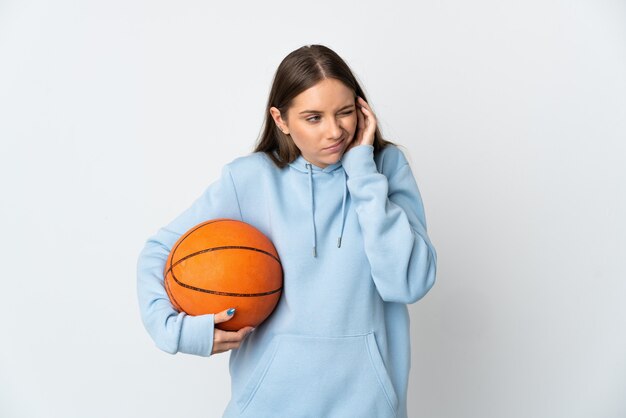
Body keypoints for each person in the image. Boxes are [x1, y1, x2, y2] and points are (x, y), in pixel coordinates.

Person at [136, 44, 437, 418]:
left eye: (345, 113)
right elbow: (159, 251)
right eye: (313, 118)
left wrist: (362, 172)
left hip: (368, 408)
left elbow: (407, 283)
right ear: (281, 120)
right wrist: (177, 331)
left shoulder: (385, 168)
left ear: (361, 110)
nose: (335, 131)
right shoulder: (248, 179)